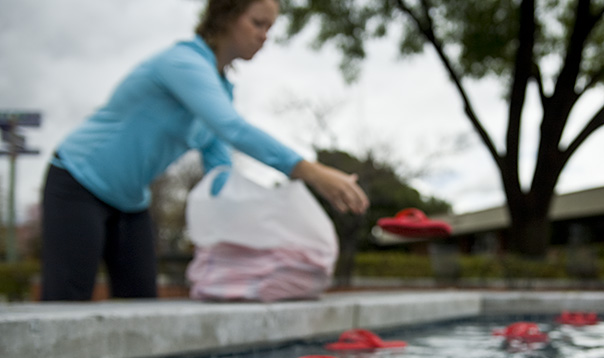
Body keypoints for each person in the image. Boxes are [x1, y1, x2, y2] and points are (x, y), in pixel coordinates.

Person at [40, 0, 368, 301]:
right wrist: (312, 172)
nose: (264, 36)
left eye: (270, 27)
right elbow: (232, 128)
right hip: (78, 182)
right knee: (66, 306)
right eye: (258, 23)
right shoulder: (183, 63)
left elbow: (221, 176)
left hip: (130, 202)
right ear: (225, 16)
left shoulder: (220, 90)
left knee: (141, 310)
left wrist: (262, 236)